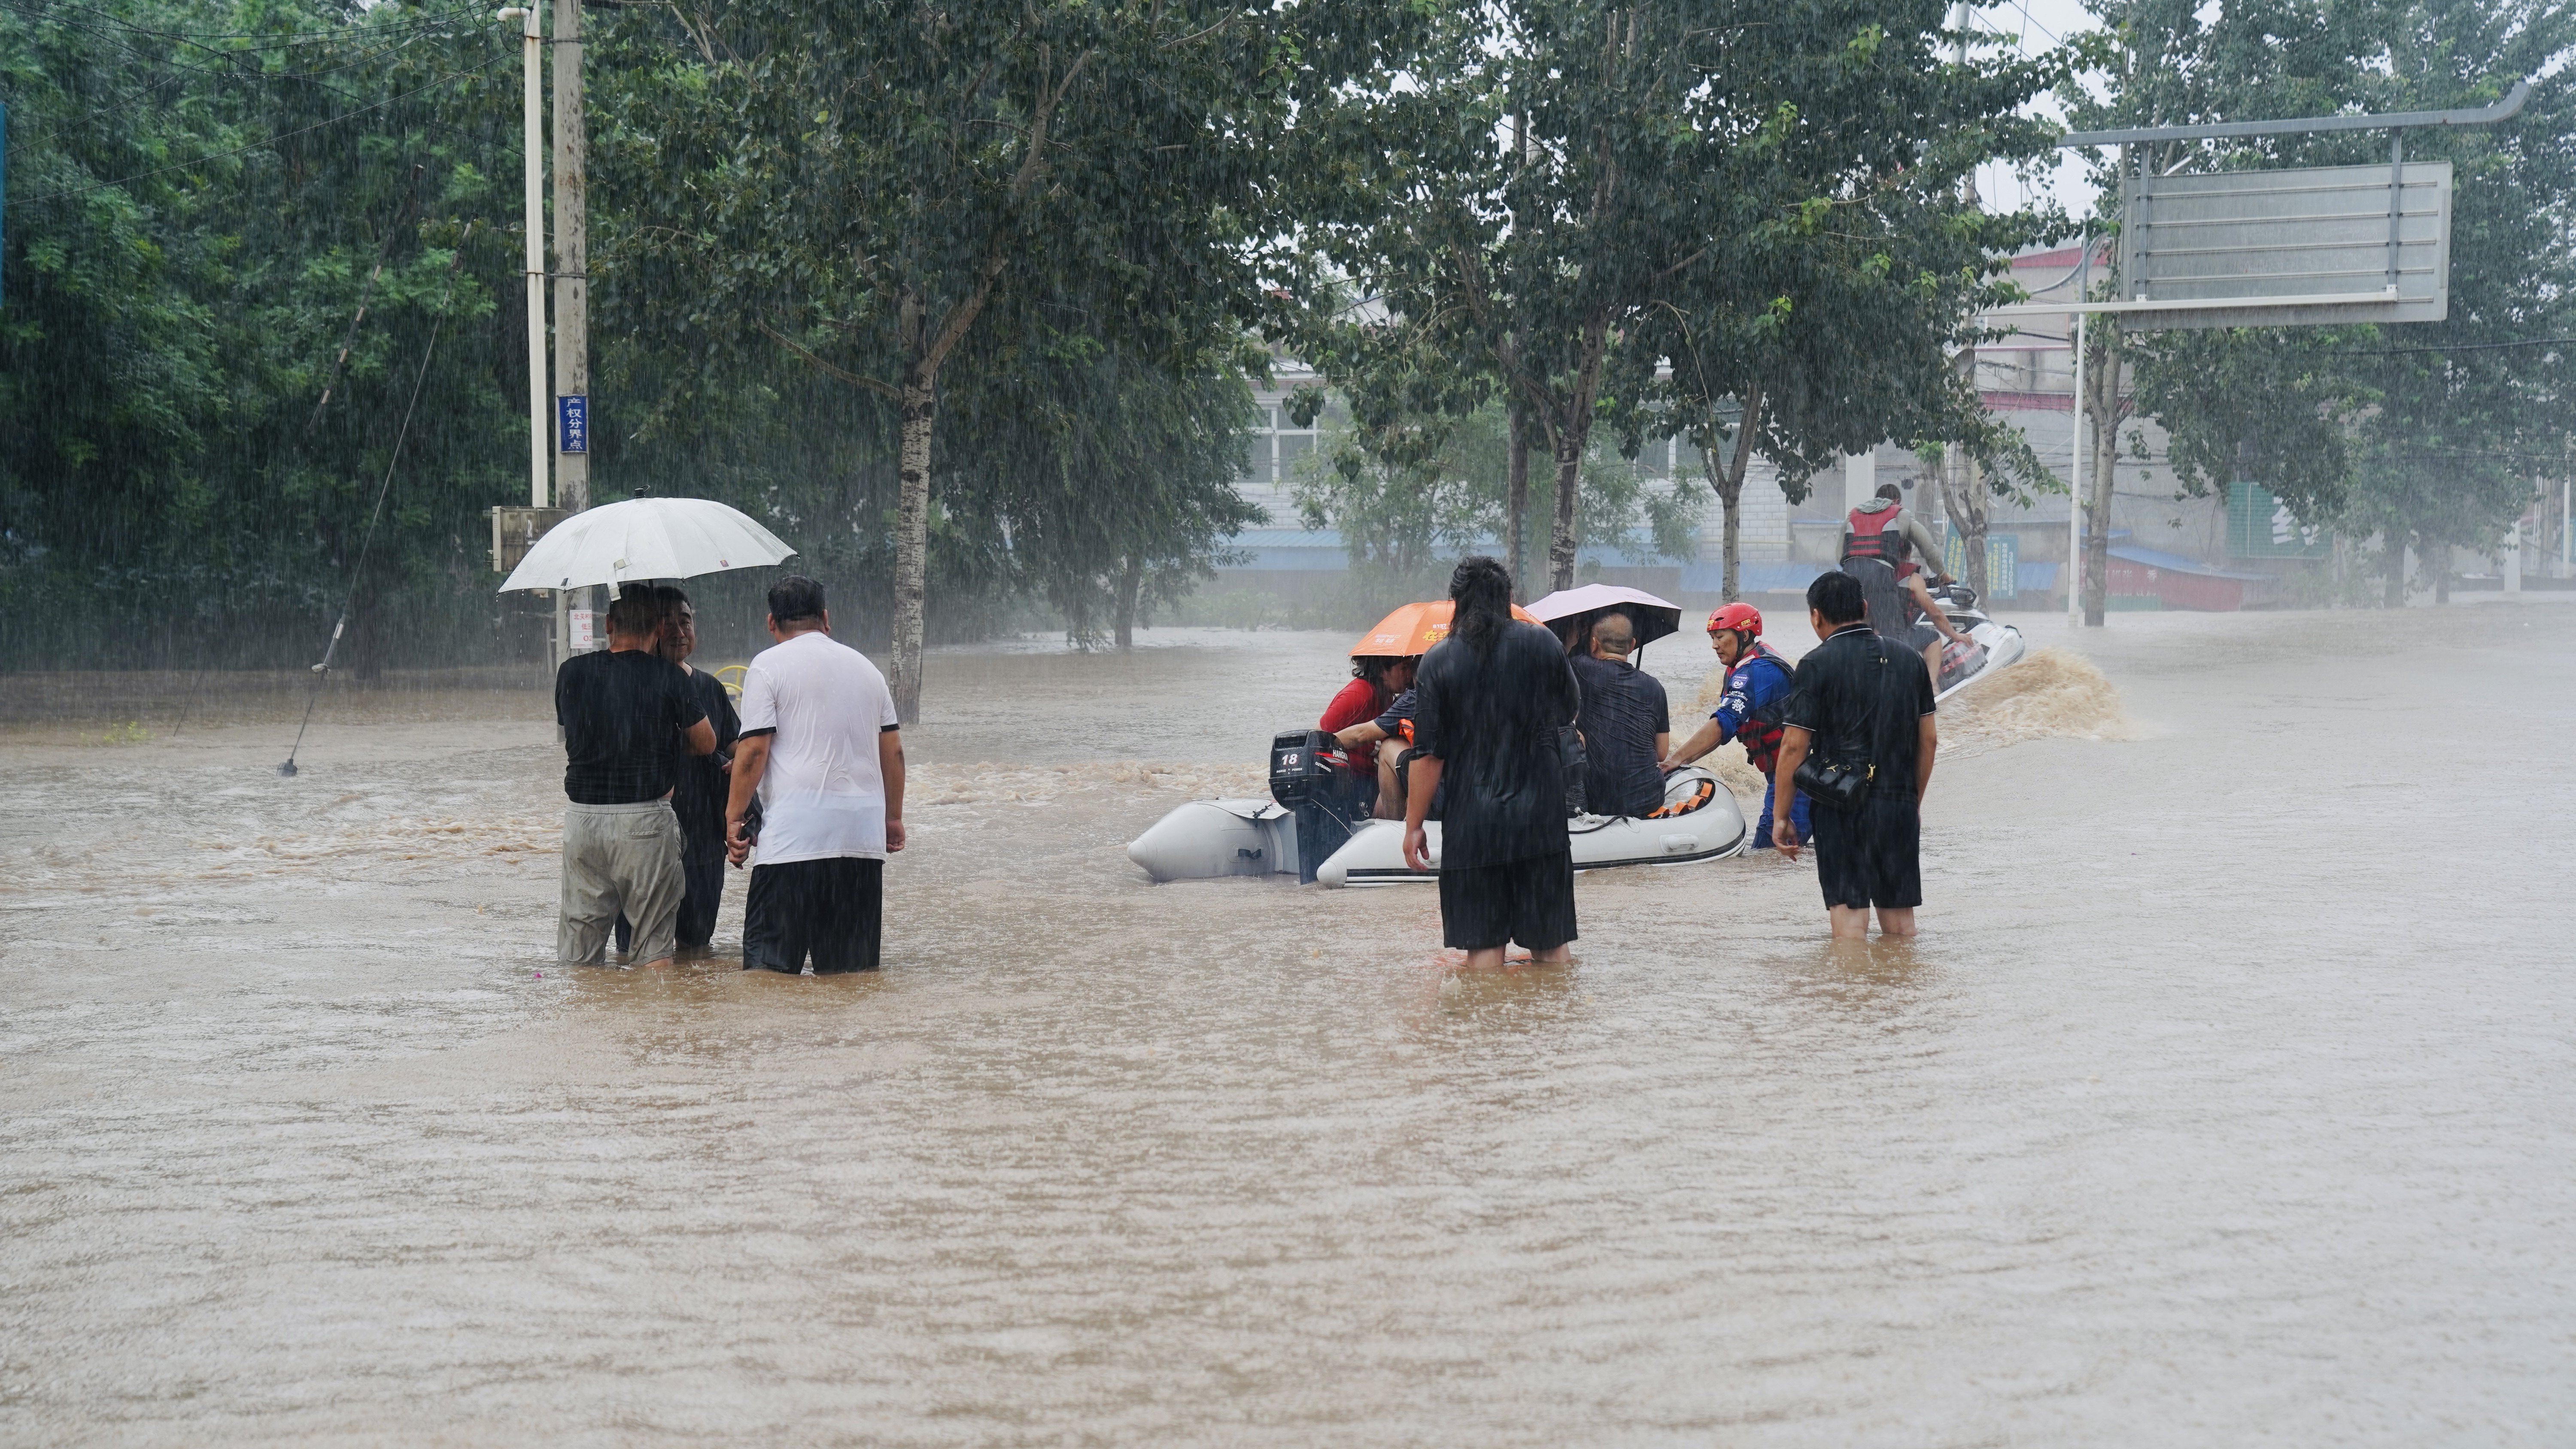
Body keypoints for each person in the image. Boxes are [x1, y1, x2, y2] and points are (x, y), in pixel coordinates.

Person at [1403, 556, 1582, 967]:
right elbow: (1568, 712)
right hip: (1540, 820)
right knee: (1551, 946)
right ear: (1508, 599)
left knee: (1484, 952)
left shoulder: (1438, 661)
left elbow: (1428, 755)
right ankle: (1557, 1029)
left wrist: (1413, 827)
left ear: (1456, 602)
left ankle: (1486, 1028)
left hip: (1474, 826)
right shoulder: (1543, 643)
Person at [723, 576, 905, 975]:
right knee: (849, 980)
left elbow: (753, 750)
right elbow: (893, 751)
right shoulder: (867, 669)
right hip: (860, 842)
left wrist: (734, 817)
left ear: (772, 623)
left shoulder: (767, 667)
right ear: (826, 618)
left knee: (767, 977)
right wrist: (892, 819)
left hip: (793, 843)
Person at [555, 582, 717, 969]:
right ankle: (652, 1026)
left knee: (579, 949)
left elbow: (577, 731)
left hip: (582, 821)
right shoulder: (670, 677)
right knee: (654, 949)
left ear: (609, 623)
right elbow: (707, 742)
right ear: (659, 630)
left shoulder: (571, 673)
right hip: (645, 820)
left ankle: (585, 1023)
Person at [1771, 570, 1938, 940]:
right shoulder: (1910, 660)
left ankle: (1853, 996)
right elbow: (1928, 741)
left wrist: (1781, 816)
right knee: (1900, 927)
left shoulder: (1816, 664)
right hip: (1898, 805)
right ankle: (1902, 995)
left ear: (1816, 616)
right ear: (1864, 607)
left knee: (1850, 926)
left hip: (1841, 807)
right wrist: (1911, 803)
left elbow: (1794, 746)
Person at [614, 585, 740, 955]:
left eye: (685, 621)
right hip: (641, 839)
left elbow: (736, 745)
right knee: (633, 951)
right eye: (665, 622)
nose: (678, 631)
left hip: (703, 837)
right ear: (650, 628)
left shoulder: (710, 687)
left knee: (697, 950)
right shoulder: (627, 686)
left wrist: (746, 764)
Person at [1660, 602, 1809, 851]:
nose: (1714, 645)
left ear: (1744, 635)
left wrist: (1674, 758)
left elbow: (1722, 723)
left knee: (1767, 858)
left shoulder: (1756, 671)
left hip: (1798, 781)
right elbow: (1724, 731)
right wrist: (1680, 763)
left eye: (1720, 637)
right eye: (1712, 637)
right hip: (1788, 777)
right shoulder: (1741, 666)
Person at [1842, 482, 1972, 682]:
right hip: (1880, 577)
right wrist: (1943, 573)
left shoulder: (1853, 515)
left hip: (1850, 576)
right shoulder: (1899, 515)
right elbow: (1928, 547)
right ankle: (1931, 690)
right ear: (1895, 502)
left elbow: (1838, 554)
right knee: (1895, 636)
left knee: (1859, 634)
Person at [1566, 610, 1670, 818]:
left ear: (1594, 644)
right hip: (1648, 798)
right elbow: (1661, 753)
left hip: (1599, 799)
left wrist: (1575, 634)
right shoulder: (1655, 686)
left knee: (1572, 740)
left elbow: (1559, 657)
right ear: (1632, 645)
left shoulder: (1580, 668)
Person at [1331, 656, 1421, 819]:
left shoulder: (1401, 698)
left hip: (1376, 777)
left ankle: (1393, 828)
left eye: (1411, 669)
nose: (1408, 675)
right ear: (1382, 671)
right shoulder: (1358, 694)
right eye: (1404, 668)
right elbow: (1320, 735)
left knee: (1392, 746)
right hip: (1355, 779)